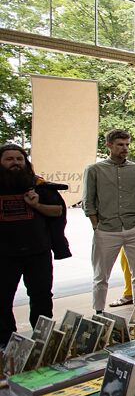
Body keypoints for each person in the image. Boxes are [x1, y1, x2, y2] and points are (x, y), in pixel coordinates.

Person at [0, 144, 65, 346]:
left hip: (38, 252)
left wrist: (36, 205)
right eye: (9, 159)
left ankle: (43, 340)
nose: (15, 163)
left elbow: (58, 211)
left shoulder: (38, 186)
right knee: (2, 299)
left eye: (19, 159)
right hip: (4, 255)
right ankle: (7, 342)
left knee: (42, 297)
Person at [83, 129, 135, 314]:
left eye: (127, 144)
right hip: (106, 229)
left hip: (134, 227)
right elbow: (88, 201)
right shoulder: (94, 170)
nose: (125, 148)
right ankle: (98, 312)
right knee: (101, 275)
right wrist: (95, 225)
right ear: (109, 145)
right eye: (120, 144)